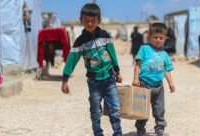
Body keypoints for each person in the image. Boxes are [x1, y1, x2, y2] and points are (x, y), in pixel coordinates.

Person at [61, 3, 123, 136]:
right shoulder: (80, 42)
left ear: (99, 20)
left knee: (115, 109)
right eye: (86, 21)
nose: (89, 24)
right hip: (94, 82)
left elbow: (112, 54)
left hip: (109, 78)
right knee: (95, 111)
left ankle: (118, 133)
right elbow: (71, 60)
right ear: (81, 20)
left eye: (93, 21)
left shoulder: (105, 35)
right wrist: (65, 80)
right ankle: (98, 133)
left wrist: (117, 71)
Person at [132, 23, 176, 136]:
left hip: (158, 86)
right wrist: (135, 79)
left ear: (165, 39)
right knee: (142, 109)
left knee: (159, 109)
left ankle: (160, 128)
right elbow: (138, 64)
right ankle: (140, 129)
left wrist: (170, 83)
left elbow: (166, 70)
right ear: (149, 36)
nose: (158, 40)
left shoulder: (164, 54)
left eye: (161, 38)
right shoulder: (144, 48)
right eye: (155, 37)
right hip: (144, 84)